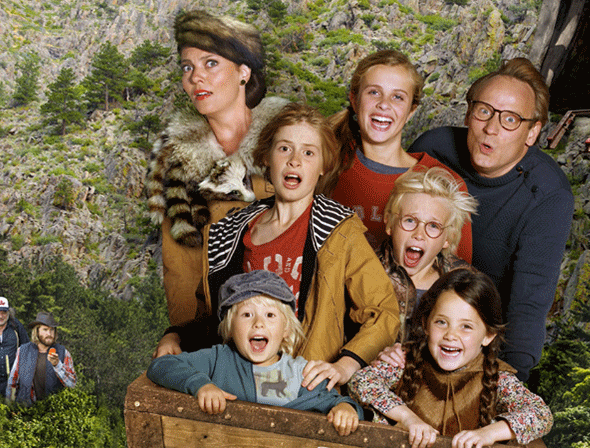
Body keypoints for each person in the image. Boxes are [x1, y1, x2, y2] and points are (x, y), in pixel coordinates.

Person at [153, 103, 400, 391]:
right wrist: (176, 336)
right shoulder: (230, 232)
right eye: (284, 148)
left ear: (323, 166)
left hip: (303, 391)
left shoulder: (340, 231)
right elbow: (211, 318)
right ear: (266, 158)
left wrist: (346, 365)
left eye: (308, 153)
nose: (294, 161)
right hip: (235, 386)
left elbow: (383, 312)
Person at [409, 58, 574, 381]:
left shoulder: (548, 195)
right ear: (468, 113)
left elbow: (528, 305)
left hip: (474, 349)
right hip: (406, 321)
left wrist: (507, 383)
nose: (491, 128)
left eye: (511, 119)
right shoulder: (433, 150)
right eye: (484, 111)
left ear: (532, 132)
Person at [145, 10, 289, 326]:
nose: (196, 77)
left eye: (210, 63)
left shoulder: (291, 141)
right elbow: (181, 272)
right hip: (218, 329)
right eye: (187, 67)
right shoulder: (178, 164)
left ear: (243, 72)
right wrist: (184, 335)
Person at [349, 269, 553, 448]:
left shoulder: (498, 378)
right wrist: (408, 418)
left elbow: (541, 414)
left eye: (466, 326)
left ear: (488, 335)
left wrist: (488, 434)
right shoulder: (405, 360)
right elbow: (361, 381)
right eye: (441, 322)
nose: (451, 335)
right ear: (426, 324)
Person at [148, 270, 362, 436]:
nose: (259, 323)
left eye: (270, 315)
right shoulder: (218, 359)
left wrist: (346, 408)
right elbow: (161, 365)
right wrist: (201, 385)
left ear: (286, 330)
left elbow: (337, 401)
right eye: (247, 315)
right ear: (230, 328)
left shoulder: (302, 373)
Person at [329, 50, 472, 263]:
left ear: (411, 111)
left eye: (397, 97)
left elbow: (458, 274)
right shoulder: (324, 161)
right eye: (374, 92)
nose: (384, 104)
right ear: (354, 100)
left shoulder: (444, 184)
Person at [377, 166, 477, 341]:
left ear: (448, 238)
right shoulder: (363, 270)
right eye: (409, 220)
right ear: (389, 223)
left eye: (433, 226)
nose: (419, 234)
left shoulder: (466, 281)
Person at [6, 311, 76, 405]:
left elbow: (72, 384)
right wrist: (9, 405)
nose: (49, 334)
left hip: (53, 409)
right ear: (37, 331)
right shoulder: (22, 351)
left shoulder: (63, 352)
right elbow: (12, 382)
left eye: (52, 330)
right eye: (45, 329)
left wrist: (57, 365)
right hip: (26, 409)